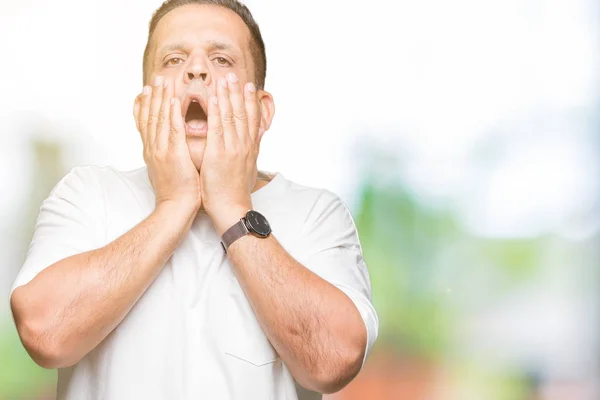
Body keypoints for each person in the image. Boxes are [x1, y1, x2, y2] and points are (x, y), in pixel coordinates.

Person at [9, 1, 379, 399]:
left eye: (221, 59)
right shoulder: (86, 194)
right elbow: (45, 334)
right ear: (142, 109)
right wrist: (174, 206)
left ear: (261, 110)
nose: (197, 69)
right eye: (173, 59)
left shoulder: (317, 215)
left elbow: (334, 362)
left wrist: (232, 206)